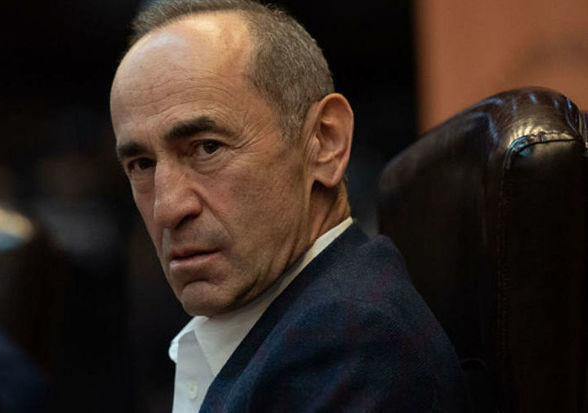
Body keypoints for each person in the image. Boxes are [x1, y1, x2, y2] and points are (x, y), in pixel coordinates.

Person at [109, 0, 470, 411]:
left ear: (325, 142)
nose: (167, 209)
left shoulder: (352, 342)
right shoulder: (294, 330)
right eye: (142, 165)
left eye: (207, 147)